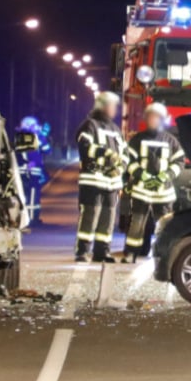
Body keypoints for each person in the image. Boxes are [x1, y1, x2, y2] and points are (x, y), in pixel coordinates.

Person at [122, 103, 185, 263]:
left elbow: (179, 162)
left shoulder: (171, 141)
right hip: (141, 190)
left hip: (164, 192)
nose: (153, 120)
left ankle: (164, 255)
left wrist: (165, 176)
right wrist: (143, 176)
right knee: (137, 223)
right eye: (150, 117)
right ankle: (131, 254)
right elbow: (129, 161)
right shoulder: (138, 139)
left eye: (156, 117)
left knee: (164, 226)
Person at [75, 91, 128, 263]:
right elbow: (85, 147)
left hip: (112, 183)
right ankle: (82, 252)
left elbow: (125, 154)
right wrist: (106, 154)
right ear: (103, 106)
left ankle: (102, 252)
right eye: (112, 106)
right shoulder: (90, 125)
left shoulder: (115, 129)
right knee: (90, 217)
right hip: (93, 181)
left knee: (108, 219)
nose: (115, 109)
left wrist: (119, 168)